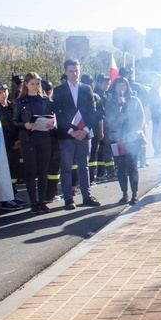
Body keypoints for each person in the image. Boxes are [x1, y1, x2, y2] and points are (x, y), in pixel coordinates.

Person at [51, 59, 101, 210]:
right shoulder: (59, 90)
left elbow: (92, 112)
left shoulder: (87, 89)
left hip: (84, 134)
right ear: (65, 72)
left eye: (77, 71)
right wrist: (72, 131)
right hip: (67, 136)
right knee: (66, 167)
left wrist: (85, 130)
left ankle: (86, 196)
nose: (74, 74)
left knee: (83, 166)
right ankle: (68, 198)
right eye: (71, 71)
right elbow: (58, 113)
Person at [12, 73, 56, 215]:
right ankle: (34, 203)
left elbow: (53, 117)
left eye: (37, 84)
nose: (36, 87)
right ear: (26, 84)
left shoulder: (45, 100)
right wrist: (25, 125)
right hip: (28, 139)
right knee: (31, 172)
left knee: (43, 171)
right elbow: (15, 121)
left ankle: (42, 201)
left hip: (44, 137)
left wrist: (52, 125)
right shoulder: (20, 102)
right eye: (32, 84)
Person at [104, 76, 145, 205]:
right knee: (120, 167)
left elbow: (141, 119)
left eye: (124, 85)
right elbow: (110, 120)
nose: (121, 88)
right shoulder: (110, 103)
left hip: (133, 139)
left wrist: (134, 133)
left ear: (127, 87)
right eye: (118, 85)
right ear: (114, 88)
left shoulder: (135, 100)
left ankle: (134, 194)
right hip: (117, 139)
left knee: (132, 166)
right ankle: (124, 194)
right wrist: (120, 106)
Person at [0, 80, 28, 211]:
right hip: (4, 147)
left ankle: (13, 195)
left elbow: (19, 123)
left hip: (17, 144)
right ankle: (5, 200)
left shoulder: (12, 106)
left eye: (5, 91)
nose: (4, 94)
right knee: (4, 172)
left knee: (14, 172)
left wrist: (19, 141)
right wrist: (11, 143)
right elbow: (0, 131)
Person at [119, 67, 150, 167]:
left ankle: (123, 164)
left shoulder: (115, 86)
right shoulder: (139, 86)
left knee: (136, 140)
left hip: (127, 121)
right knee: (140, 140)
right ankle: (142, 161)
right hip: (137, 119)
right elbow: (147, 102)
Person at [81, 74, 104, 185]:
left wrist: (101, 130)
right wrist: (101, 130)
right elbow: (100, 117)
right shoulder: (95, 97)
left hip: (87, 129)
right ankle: (90, 180)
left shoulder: (95, 97)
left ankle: (87, 180)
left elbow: (100, 116)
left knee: (89, 156)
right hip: (89, 129)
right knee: (91, 155)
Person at [41, 79, 61, 203]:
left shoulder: (37, 103)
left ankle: (46, 194)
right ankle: (51, 194)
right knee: (52, 168)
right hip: (51, 138)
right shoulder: (51, 103)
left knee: (47, 168)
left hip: (45, 138)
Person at [93, 74, 114, 180]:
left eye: (108, 83)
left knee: (102, 150)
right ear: (98, 83)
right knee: (106, 149)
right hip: (101, 125)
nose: (107, 86)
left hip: (104, 125)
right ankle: (110, 172)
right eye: (105, 83)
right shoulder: (97, 95)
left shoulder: (103, 94)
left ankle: (101, 172)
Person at [148, 73, 161, 157]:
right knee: (156, 132)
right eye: (158, 80)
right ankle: (157, 150)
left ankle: (159, 149)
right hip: (156, 114)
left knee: (160, 132)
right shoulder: (152, 90)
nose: (160, 82)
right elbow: (153, 103)